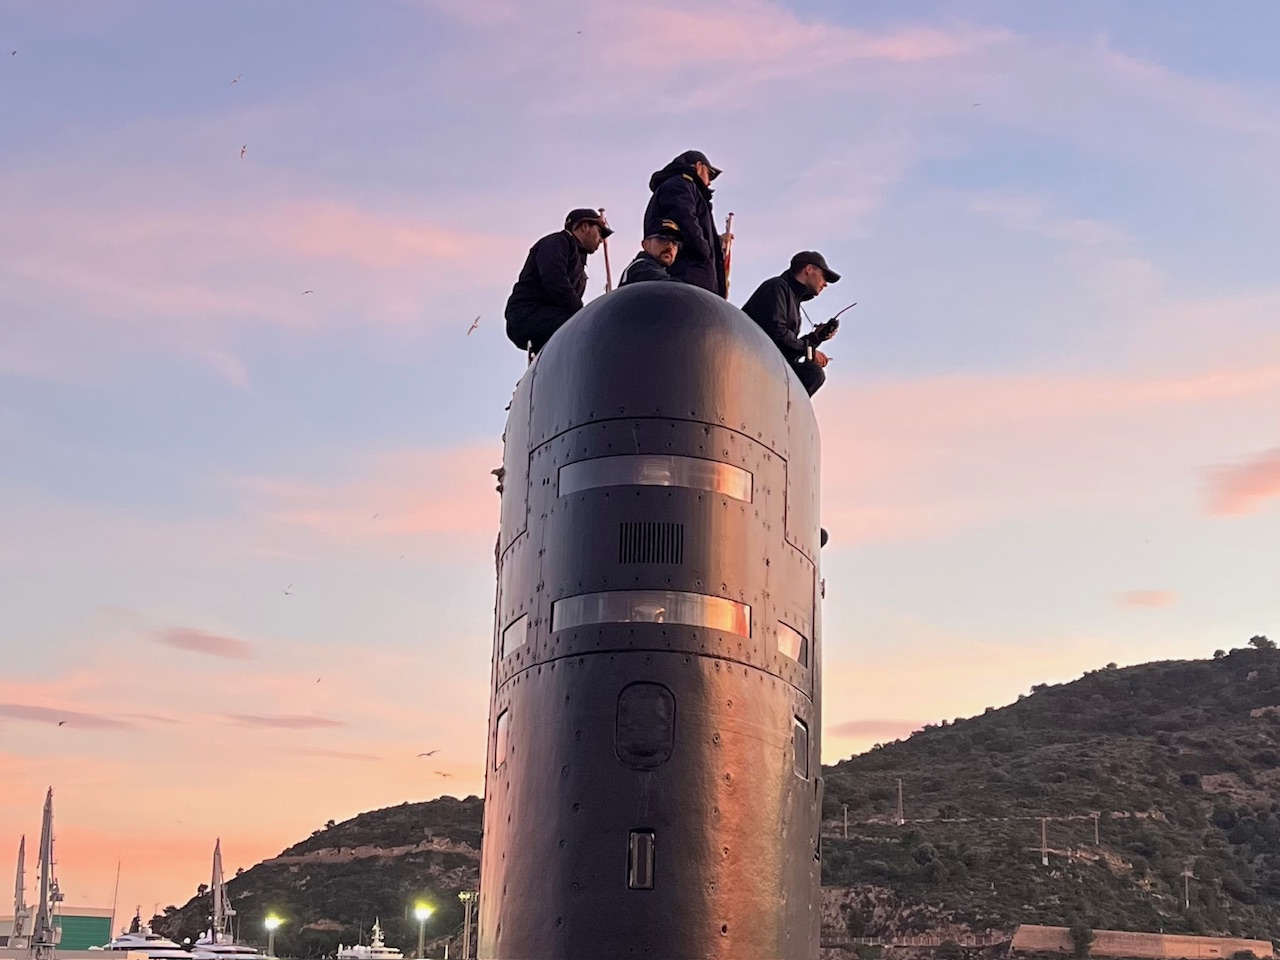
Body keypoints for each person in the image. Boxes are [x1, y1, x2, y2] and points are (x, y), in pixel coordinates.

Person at [505, 208, 612, 353]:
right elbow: (555, 279)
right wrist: (582, 314)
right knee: (587, 328)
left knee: (582, 328)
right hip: (528, 314)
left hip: (548, 315)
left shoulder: (577, 259)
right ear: (585, 226)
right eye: (599, 232)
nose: (601, 239)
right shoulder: (557, 242)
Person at [740, 251, 842, 396]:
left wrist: (816, 337)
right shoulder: (776, 287)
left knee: (813, 374)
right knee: (812, 373)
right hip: (754, 363)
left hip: (768, 362)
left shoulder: (791, 296)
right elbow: (776, 333)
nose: (825, 284)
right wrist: (809, 350)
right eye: (824, 276)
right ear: (809, 269)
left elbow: (785, 347)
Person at [642, 150, 729, 297]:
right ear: (699, 166)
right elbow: (685, 220)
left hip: (692, 281)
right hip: (688, 279)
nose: (709, 182)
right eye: (709, 174)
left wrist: (717, 243)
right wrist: (705, 251)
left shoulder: (683, 187)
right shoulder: (681, 185)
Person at [618, 220, 684, 286]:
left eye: (675, 243)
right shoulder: (641, 267)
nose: (670, 247)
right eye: (663, 239)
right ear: (645, 244)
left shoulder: (661, 271)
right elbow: (670, 288)